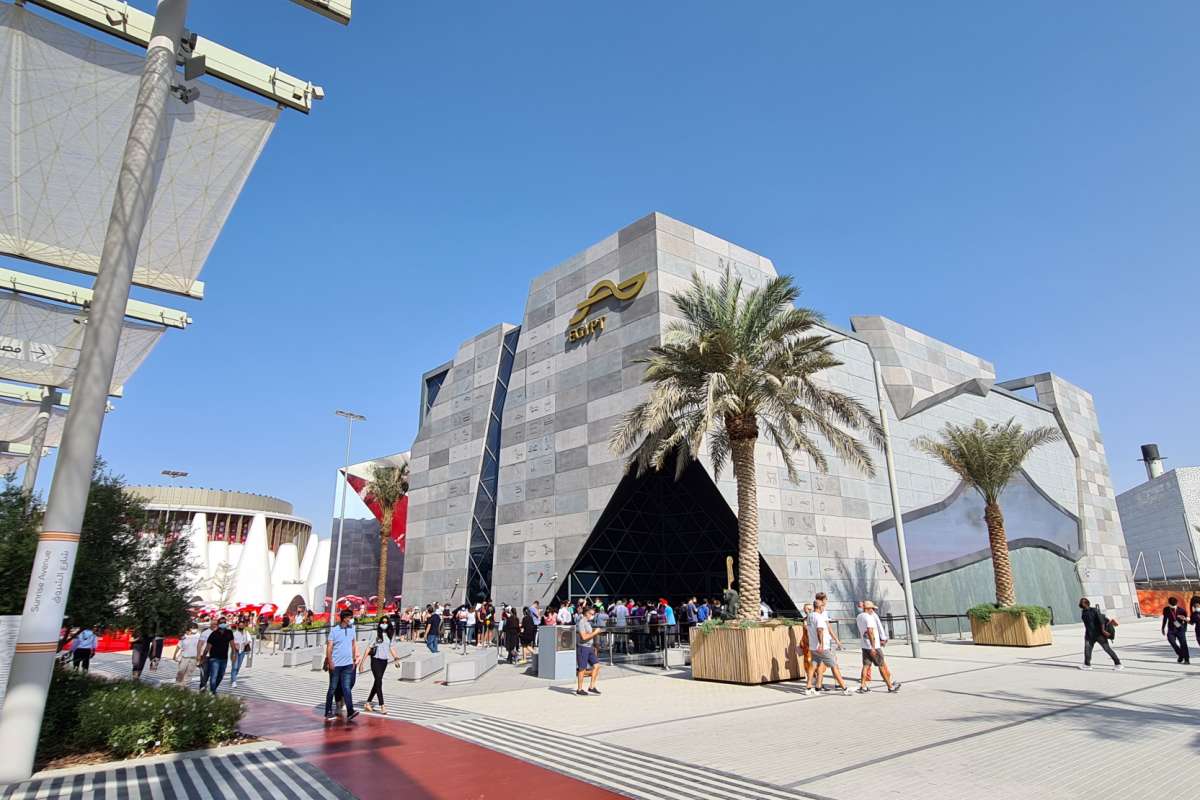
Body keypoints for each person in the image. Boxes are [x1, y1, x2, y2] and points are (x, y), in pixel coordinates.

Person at [804, 593, 853, 696]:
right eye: (823, 606)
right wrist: (822, 644)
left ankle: (809, 688)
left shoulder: (809, 616)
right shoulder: (819, 617)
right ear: (819, 607)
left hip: (813, 646)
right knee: (834, 665)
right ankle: (845, 688)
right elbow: (820, 631)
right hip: (822, 647)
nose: (824, 608)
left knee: (813, 666)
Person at [856, 600, 900, 692]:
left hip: (865, 645)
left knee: (866, 666)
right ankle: (890, 686)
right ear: (868, 608)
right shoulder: (869, 617)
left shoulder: (859, 616)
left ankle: (863, 686)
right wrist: (873, 647)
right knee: (881, 665)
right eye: (872, 608)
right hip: (874, 646)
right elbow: (870, 632)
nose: (873, 610)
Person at [325, 609, 360, 722]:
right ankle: (328, 711)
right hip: (336, 665)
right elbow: (329, 647)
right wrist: (330, 661)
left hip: (348, 664)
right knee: (332, 688)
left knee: (346, 687)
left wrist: (353, 659)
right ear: (344, 618)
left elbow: (353, 644)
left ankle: (350, 711)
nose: (351, 619)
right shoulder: (334, 630)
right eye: (350, 617)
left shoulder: (352, 629)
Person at [362, 618, 400, 714]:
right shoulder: (375, 634)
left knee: (377, 683)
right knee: (379, 682)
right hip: (375, 660)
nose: (384, 624)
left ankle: (367, 703)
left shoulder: (390, 634)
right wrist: (362, 663)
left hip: (384, 661)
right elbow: (369, 648)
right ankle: (382, 705)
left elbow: (391, 647)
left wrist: (396, 658)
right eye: (382, 622)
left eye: (386, 622)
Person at [1079, 598, 1121, 671]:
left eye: (1082, 602)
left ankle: (1118, 664)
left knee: (1107, 649)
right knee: (1087, 649)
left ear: (1086, 603)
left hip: (1099, 634)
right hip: (1089, 635)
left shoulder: (1094, 610)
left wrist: (1103, 630)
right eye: (1080, 602)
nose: (1080, 604)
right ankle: (1087, 664)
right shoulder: (1083, 612)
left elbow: (1101, 621)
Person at [200, 617, 235, 694]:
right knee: (214, 676)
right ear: (218, 624)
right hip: (214, 658)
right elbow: (207, 648)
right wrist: (203, 657)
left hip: (224, 658)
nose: (223, 624)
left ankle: (213, 689)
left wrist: (233, 655)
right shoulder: (213, 634)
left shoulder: (229, 632)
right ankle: (213, 692)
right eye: (221, 623)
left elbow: (232, 645)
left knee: (221, 676)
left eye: (224, 622)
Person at [574, 605, 604, 696]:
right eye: (591, 614)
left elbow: (588, 633)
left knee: (597, 666)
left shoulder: (587, 622)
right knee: (582, 669)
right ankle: (579, 689)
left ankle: (591, 687)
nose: (592, 615)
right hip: (583, 648)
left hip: (589, 647)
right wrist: (595, 632)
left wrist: (595, 632)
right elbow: (583, 637)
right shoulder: (581, 622)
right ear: (586, 613)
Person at [1161, 596, 1190, 664]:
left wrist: (1185, 628)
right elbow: (1165, 619)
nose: (1172, 607)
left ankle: (1186, 659)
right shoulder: (1166, 609)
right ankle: (1180, 654)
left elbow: (1186, 620)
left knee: (1183, 644)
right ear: (1168, 604)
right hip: (1171, 629)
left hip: (1180, 629)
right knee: (1171, 641)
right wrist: (1163, 628)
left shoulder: (1182, 610)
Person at [230, 621, 253, 687]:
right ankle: (234, 681)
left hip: (242, 651)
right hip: (235, 651)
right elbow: (231, 642)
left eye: (242, 625)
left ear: (244, 626)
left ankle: (233, 677)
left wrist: (245, 643)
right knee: (235, 666)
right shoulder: (234, 633)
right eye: (240, 625)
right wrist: (235, 644)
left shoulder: (246, 632)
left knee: (238, 666)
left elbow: (249, 640)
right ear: (238, 626)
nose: (241, 626)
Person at [197, 618, 217, 687]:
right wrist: (198, 654)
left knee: (213, 673)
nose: (215, 625)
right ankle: (202, 686)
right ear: (210, 624)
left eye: (216, 624)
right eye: (213, 624)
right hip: (205, 656)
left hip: (215, 656)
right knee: (204, 672)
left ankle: (210, 687)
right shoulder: (205, 633)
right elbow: (200, 644)